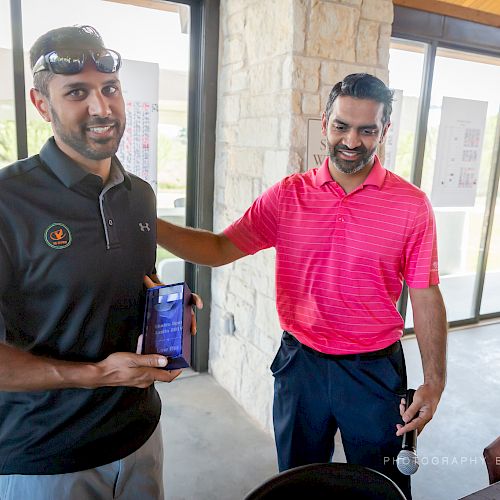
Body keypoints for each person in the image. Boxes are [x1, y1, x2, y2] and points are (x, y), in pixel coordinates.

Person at [156, 73, 447, 497]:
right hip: (300, 365)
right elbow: (220, 248)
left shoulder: (411, 205)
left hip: (374, 371)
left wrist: (434, 381)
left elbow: (424, 294)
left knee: (382, 486)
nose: (351, 140)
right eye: (341, 126)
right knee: (297, 485)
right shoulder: (288, 196)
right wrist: (147, 224)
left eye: (367, 130)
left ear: (384, 131)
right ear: (325, 122)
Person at [0, 25, 196, 500]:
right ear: (40, 103)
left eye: (110, 89)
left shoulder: (139, 196)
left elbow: (127, 287)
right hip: (47, 458)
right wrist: (93, 375)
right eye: (76, 92)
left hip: (140, 436)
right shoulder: (8, 202)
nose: (101, 108)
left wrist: (169, 311)